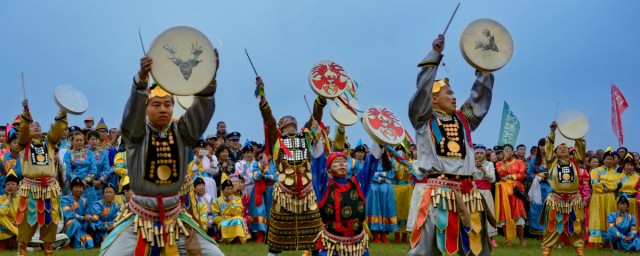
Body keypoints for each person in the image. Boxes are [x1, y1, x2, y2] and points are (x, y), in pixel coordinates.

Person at [98, 54, 223, 255]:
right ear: (145, 108)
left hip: (175, 219)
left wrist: (209, 80)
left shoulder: (182, 131)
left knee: (214, 254)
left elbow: (201, 111)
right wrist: (140, 84)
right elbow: (131, 116)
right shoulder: (137, 134)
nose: (163, 109)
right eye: (156, 104)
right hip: (139, 219)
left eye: (168, 104)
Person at [407, 34, 495, 256]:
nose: (455, 97)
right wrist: (435, 56)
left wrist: (484, 67)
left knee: (479, 250)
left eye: (454, 92)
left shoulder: (463, 119)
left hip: (469, 193)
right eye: (449, 93)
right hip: (438, 195)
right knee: (426, 250)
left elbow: (479, 99)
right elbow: (421, 92)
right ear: (433, 99)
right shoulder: (422, 120)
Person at [255, 75, 326, 256]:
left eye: (293, 123)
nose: (291, 125)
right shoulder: (276, 138)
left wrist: (321, 98)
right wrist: (262, 95)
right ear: (281, 127)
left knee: (313, 229)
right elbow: (268, 118)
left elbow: (315, 117)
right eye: (287, 124)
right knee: (279, 228)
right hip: (284, 191)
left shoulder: (306, 136)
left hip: (307, 191)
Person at [310, 132, 381, 256]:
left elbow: (369, 167)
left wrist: (380, 141)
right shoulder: (325, 186)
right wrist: (316, 140)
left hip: (357, 246)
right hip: (331, 246)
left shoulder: (357, 184)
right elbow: (317, 165)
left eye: (343, 161)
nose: (342, 164)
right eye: (336, 163)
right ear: (329, 169)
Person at [15, 99, 67, 256]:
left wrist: (63, 111)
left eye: (38, 125)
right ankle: (22, 252)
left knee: (50, 221)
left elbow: (57, 130)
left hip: (50, 188)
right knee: (25, 221)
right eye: (33, 125)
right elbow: (23, 132)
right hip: (29, 188)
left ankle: (49, 251)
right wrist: (25, 113)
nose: (36, 126)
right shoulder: (23, 144)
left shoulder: (49, 143)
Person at [540, 121, 587, 256]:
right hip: (556, 199)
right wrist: (552, 132)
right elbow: (548, 148)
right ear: (555, 152)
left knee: (576, 226)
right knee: (552, 226)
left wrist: (577, 135)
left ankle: (580, 251)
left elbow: (581, 150)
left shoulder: (576, 162)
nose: (562, 149)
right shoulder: (552, 162)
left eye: (565, 148)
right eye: (559, 148)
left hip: (574, 200)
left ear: (569, 151)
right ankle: (546, 251)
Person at [495, 144, 527, 247]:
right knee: (505, 215)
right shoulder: (499, 163)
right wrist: (504, 160)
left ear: (513, 152)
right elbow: (500, 173)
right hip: (504, 192)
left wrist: (509, 176)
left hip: (516, 191)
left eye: (509, 150)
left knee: (518, 215)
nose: (508, 152)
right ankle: (508, 241)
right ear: (503, 152)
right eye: (505, 150)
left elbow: (522, 175)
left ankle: (522, 241)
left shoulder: (519, 162)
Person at [365, 148, 399, 243]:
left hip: (386, 188)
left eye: (382, 147)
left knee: (386, 209)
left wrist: (378, 175)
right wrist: (381, 176)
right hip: (373, 188)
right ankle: (375, 234)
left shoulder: (389, 160)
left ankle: (384, 235)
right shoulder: (370, 160)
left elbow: (391, 174)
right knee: (375, 209)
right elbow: (367, 173)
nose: (380, 150)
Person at [589, 147, 620, 246]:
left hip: (610, 198)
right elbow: (595, 184)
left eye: (611, 159)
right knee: (597, 217)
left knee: (609, 217)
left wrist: (604, 185)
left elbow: (616, 185)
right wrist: (608, 187)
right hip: (597, 198)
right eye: (608, 159)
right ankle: (597, 242)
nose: (609, 161)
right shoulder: (595, 171)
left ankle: (609, 241)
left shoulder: (616, 173)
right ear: (604, 159)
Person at [472, 145, 498, 247]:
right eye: (477, 153)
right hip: (473, 191)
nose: (479, 155)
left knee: (489, 213)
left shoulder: (490, 164)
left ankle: (492, 238)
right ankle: (476, 236)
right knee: (474, 213)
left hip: (486, 192)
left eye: (481, 153)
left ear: (485, 154)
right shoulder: (470, 164)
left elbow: (492, 179)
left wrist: (484, 170)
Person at [248, 152, 276, 243]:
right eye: (265, 154)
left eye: (269, 154)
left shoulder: (276, 164)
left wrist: (264, 176)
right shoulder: (256, 163)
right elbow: (255, 178)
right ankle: (260, 234)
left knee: (271, 212)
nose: (268, 156)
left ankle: (270, 235)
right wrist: (262, 168)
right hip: (258, 191)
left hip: (271, 190)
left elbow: (277, 177)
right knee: (260, 212)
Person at [64, 131, 98, 206]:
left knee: (91, 210)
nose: (79, 142)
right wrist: (79, 181)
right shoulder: (68, 154)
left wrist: (85, 181)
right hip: (75, 186)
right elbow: (67, 171)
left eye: (81, 140)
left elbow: (93, 169)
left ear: (84, 142)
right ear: (72, 142)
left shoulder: (90, 153)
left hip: (88, 186)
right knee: (75, 208)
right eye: (77, 140)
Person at [212, 179, 251, 244]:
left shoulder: (237, 199)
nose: (230, 191)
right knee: (237, 220)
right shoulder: (216, 201)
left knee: (238, 219)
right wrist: (225, 219)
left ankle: (236, 239)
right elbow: (215, 217)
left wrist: (232, 202)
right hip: (223, 221)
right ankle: (230, 239)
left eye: (231, 189)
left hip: (235, 219)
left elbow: (238, 212)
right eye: (227, 189)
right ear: (222, 190)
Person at [61, 176, 94, 250]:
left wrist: (89, 217)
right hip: (68, 228)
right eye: (76, 187)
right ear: (71, 189)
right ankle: (66, 242)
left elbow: (87, 212)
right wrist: (82, 218)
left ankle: (74, 243)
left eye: (80, 187)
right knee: (74, 222)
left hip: (81, 228)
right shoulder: (65, 199)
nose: (78, 190)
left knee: (89, 242)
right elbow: (67, 214)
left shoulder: (85, 200)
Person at [526, 138, 550, 236]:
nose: (544, 148)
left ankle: (550, 232)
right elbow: (529, 174)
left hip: (550, 187)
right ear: (538, 147)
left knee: (549, 209)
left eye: (545, 145)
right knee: (537, 209)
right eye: (541, 145)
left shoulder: (553, 159)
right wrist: (539, 176)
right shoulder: (534, 159)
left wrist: (548, 176)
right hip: (538, 188)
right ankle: (539, 232)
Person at [392, 146, 412, 243]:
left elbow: (410, 171)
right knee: (395, 210)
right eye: (398, 151)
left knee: (406, 211)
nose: (400, 153)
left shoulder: (409, 162)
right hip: (395, 188)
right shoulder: (392, 162)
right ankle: (396, 234)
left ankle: (404, 235)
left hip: (406, 189)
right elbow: (391, 175)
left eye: (402, 151)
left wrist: (404, 161)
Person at [87, 131, 111, 202]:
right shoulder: (83, 153)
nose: (95, 141)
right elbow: (82, 169)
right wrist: (91, 181)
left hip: (100, 184)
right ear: (88, 140)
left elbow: (107, 168)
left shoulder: (103, 152)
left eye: (96, 139)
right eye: (92, 139)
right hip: (86, 184)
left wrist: (100, 180)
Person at [0, 170, 20, 250]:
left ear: (18, 186)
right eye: (8, 184)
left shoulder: (22, 198)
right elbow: (2, 211)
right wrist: (8, 198)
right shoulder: (1, 198)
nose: (10, 186)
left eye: (13, 184)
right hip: (5, 230)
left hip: (18, 227)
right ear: (5, 187)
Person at [0, 129, 22, 195]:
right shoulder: (2, 158)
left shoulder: (25, 158)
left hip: (22, 190)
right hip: (5, 189)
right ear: (9, 144)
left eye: (19, 143)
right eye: (15, 142)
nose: (17, 145)